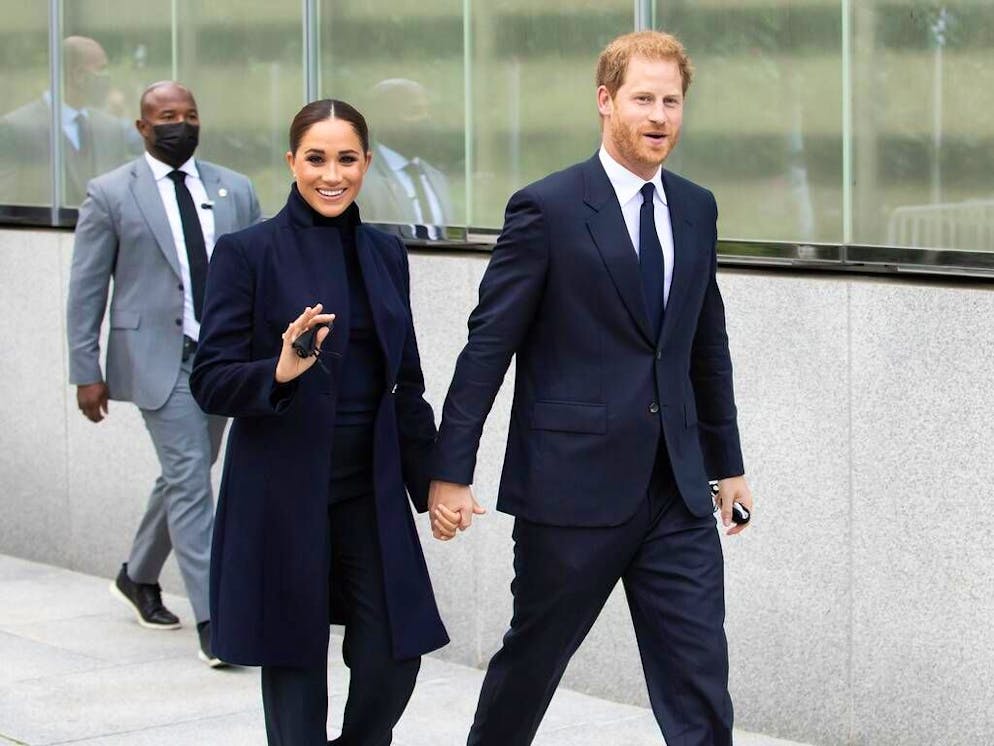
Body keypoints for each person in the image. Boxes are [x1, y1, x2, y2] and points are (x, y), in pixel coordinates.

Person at [428, 30, 754, 745]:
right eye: (643, 99)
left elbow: (706, 343)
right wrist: (450, 471)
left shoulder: (696, 207)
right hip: (570, 489)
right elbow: (487, 348)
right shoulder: (546, 208)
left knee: (700, 679)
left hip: (675, 489)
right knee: (533, 663)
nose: (659, 116)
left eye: (672, 101)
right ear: (606, 101)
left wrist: (727, 463)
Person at [190, 99, 448, 745]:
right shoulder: (246, 252)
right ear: (291, 162)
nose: (332, 175)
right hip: (281, 489)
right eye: (316, 159)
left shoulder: (386, 252)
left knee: (395, 655)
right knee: (295, 665)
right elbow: (210, 380)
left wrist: (437, 481)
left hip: (370, 490)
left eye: (346, 159)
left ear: (366, 162)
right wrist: (279, 370)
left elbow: (406, 383)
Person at [66, 81, 261, 667]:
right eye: (168, 115)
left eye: (190, 114)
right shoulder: (109, 193)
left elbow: (263, 269)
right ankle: (215, 619)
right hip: (157, 359)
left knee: (186, 471)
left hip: (222, 360)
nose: (182, 124)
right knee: (191, 479)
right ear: (143, 126)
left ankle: (137, 574)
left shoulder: (234, 188)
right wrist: (85, 370)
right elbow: (86, 288)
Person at [0, 36, 131, 206]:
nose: (107, 78)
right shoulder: (16, 128)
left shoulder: (111, 129)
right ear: (78, 75)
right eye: (101, 69)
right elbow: (7, 205)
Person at [360, 78, 454, 237]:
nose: (426, 120)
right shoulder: (361, 181)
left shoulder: (438, 179)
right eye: (414, 111)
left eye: (428, 112)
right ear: (385, 119)